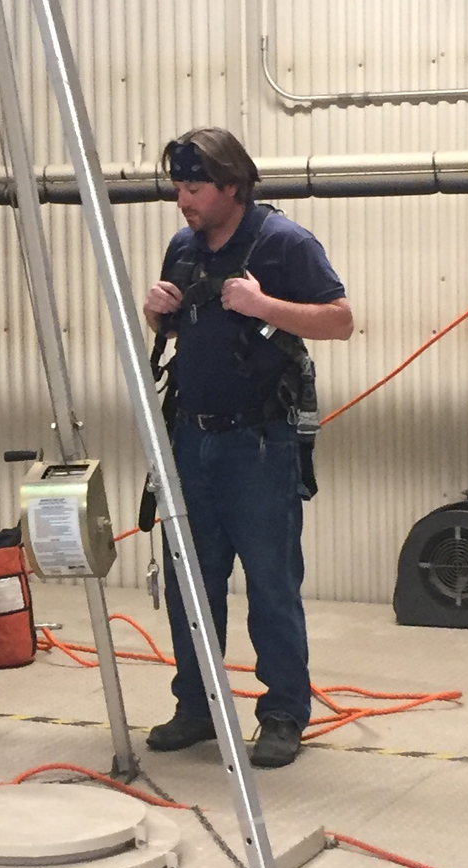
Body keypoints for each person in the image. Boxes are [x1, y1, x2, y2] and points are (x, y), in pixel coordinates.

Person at [141, 127, 353, 769]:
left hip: (260, 445)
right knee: (189, 582)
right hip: (191, 440)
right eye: (178, 186)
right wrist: (155, 313)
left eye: (195, 187)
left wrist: (263, 303)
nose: (183, 199)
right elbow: (178, 326)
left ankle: (284, 712)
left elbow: (340, 319)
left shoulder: (283, 243)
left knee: (271, 582)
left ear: (231, 185)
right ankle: (198, 707)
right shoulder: (183, 248)